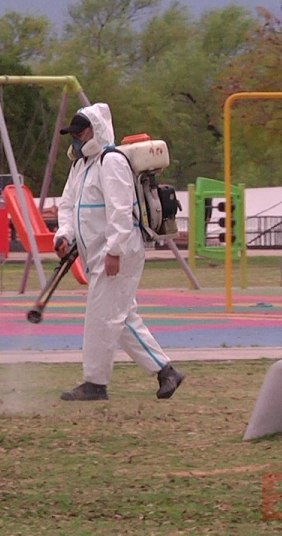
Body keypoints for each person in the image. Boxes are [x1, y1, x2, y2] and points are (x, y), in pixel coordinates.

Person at [53, 102, 185, 401]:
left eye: (80, 132)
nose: (76, 138)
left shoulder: (110, 162)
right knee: (120, 316)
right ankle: (166, 371)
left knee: (101, 317)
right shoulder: (80, 166)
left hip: (118, 254)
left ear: (95, 130)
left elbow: (121, 211)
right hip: (97, 254)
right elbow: (68, 206)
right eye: (74, 134)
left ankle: (95, 383)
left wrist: (114, 251)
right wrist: (63, 235)